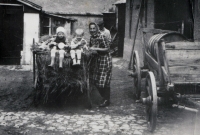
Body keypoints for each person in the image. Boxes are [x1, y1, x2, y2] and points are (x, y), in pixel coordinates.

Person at [89, 22, 112, 107]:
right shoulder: (91, 37)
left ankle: (106, 100)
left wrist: (95, 48)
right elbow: (91, 47)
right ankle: (103, 98)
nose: (92, 30)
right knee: (96, 79)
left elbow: (107, 48)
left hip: (105, 59)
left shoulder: (102, 36)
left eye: (93, 28)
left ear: (97, 29)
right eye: (90, 29)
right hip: (97, 59)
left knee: (104, 80)